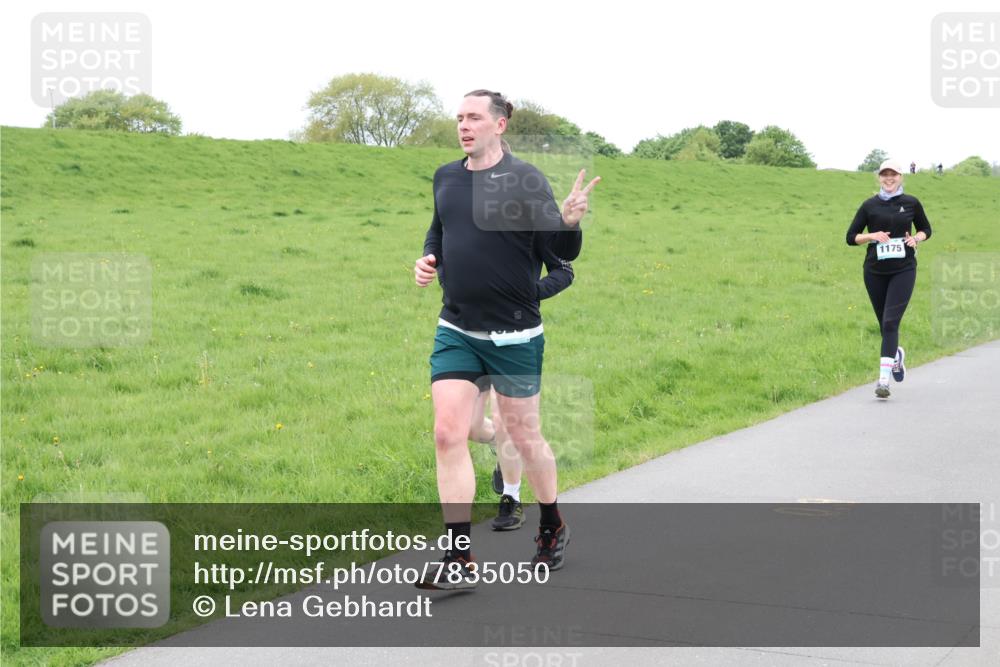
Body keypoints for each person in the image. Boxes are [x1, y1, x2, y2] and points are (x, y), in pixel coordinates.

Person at [414, 89, 599, 589]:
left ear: (500, 125)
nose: (463, 125)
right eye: (459, 118)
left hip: (515, 335)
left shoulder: (524, 180)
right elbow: (439, 230)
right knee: (448, 434)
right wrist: (428, 260)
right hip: (456, 327)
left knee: (524, 437)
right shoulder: (447, 177)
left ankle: (551, 522)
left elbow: (559, 251)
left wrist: (570, 222)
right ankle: (458, 557)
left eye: (474, 117)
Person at [468, 243, 576, 532]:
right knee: (470, 426)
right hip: (468, 331)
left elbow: (564, 270)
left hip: (515, 335)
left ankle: (511, 498)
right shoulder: (466, 204)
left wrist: (528, 293)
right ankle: (500, 447)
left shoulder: (532, 210)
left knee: (508, 421)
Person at [845, 158, 932, 398]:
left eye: (893, 174)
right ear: (879, 178)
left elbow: (926, 229)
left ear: (901, 177)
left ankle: (883, 381)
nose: (889, 178)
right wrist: (871, 235)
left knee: (891, 322)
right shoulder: (869, 205)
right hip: (874, 271)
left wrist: (917, 239)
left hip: (903, 269)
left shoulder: (911, 203)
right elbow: (851, 237)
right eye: (885, 175)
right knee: (884, 324)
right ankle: (896, 356)